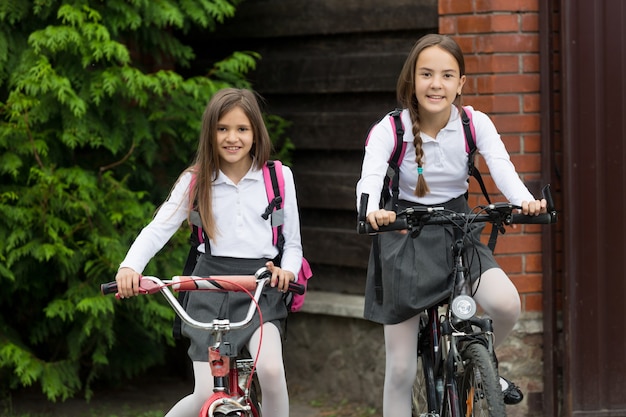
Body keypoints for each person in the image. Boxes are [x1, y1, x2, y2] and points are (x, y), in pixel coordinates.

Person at [356, 34, 547, 416]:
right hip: (405, 234)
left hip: (457, 231)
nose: (436, 84)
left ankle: (483, 365)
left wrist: (523, 200)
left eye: (447, 75)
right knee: (401, 368)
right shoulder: (390, 130)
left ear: (460, 83)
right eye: (426, 74)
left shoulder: (475, 124)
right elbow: (370, 178)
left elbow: (502, 169)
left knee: (507, 304)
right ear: (412, 80)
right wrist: (372, 210)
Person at [115, 88, 303, 417]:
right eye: (223, 129)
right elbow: (158, 229)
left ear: (256, 133)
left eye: (242, 129)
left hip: (260, 286)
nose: (233, 137)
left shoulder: (277, 177)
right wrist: (130, 267)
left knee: (271, 371)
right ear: (210, 133)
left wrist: (287, 270)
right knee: (205, 392)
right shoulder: (197, 180)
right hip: (208, 286)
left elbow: (293, 243)